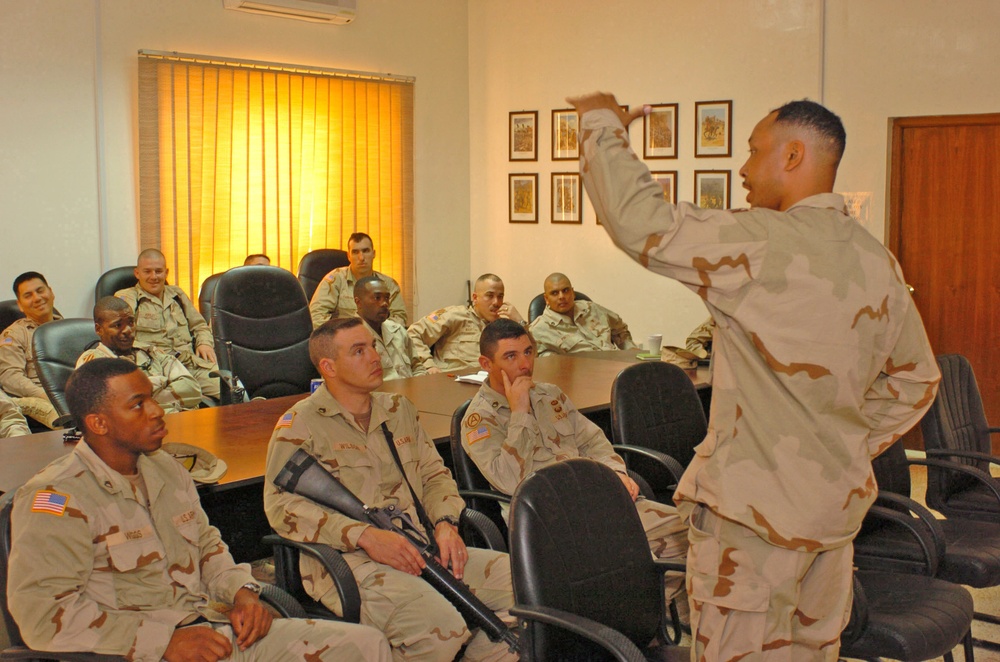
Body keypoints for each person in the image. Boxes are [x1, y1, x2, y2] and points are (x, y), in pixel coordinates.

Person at [568, 92, 940, 660]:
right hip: (832, 514)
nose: (743, 169)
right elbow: (917, 378)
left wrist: (600, 122)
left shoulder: (761, 243)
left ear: (793, 156)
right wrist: (842, 447)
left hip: (751, 524)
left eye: (753, 151)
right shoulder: (875, 260)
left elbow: (641, 222)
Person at [8, 357, 391, 661]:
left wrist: (243, 593)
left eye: (153, 398)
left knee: (367, 647)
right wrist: (163, 642)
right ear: (98, 423)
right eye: (137, 405)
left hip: (211, 631)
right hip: (137, 652)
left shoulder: (164, 467)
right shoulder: (56, 498)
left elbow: (207, 546)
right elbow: (42, 619)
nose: (158, 412)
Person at [264, 318, 517, 662]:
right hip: (352, 561)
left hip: (422, 544)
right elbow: (280, 507)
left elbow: (435, 474)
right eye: (358, 350)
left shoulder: (398, 410)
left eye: (372, 345)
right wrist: (364, 535)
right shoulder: (301, 425)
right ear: (329, 367)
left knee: (529, 590)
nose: (374, 356)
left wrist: (445, 523)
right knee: (441, 629)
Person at [462, 319, 687, 608]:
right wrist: (519, 412)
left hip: (599, 498)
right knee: (642, 559)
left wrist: (616, 472)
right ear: (486, 362)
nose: (524, 364)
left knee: (693, 531)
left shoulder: (550, 395)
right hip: (552, 521)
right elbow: (508, 481)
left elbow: (593, 441)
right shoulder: (479, 420)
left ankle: (678, 626)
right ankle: (645, 629)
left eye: (529, 352)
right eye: (511, 356)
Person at [115, 248, 221, 400]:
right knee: (184, 402)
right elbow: (121, 334)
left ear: (166, 273)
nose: (154, 277)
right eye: (147, 271)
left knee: (232, 391)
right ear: (137, 273)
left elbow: (199, 326)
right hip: (157, 370)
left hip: (190, 364)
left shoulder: (177, 294)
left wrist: (204, 344)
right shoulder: (127, 297)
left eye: (158, 271)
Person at [77, 296, 203, 413]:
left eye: (131, 322)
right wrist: (162, 381)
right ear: (99, 329)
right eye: (117, 325)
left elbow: (192, 389)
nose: (127, 330)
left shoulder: (151, 352)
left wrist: (141, 396)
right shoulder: (92, 362)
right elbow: (113, 405)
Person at [408, 273, 526, 374]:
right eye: (489, 296)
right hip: (452, 383)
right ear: (475, 298)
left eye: (500, 297)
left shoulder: (502, 327)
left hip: (488, 386)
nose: (496, 302)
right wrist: (429, 365)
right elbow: (413, 334)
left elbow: (530, 355)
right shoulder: (454, 315)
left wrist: (520, 322)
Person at [0, 271, 61, 428]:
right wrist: (45, 395)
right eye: (28, 295)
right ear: (20, 304)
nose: (37, 298)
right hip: (42, 403)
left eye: (40, 291)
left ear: (51, 292)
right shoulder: (14, 334)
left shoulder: (69, 329)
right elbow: (10, 378)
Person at [309, 233, 407, 328]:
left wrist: (374, 332)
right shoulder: (335, 280)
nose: (361, 258)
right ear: (349, 256)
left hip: (378, 340)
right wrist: (345, 333)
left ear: (373, 254)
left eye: (366, 251)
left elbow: (400, 318)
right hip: (343, 340)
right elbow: (315, 316)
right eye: (355, 252)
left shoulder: (388, 284)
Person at [528, 272, 636, 356]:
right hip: (582, 378)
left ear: (572, 292)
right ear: (546, 299)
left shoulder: (591, 308)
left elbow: (620, 330)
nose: (562, 296)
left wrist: (631, 350)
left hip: (616, 366)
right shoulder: (538, 330)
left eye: (566, 290)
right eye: (555, 293)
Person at [354, 275, 426, 380]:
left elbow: (417, 367)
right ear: (358, 302)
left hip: (411, 392)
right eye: (377, 298)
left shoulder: (398, 330)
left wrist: (419, 387)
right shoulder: (349, 338)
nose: (384, 303)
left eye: (387, 298)